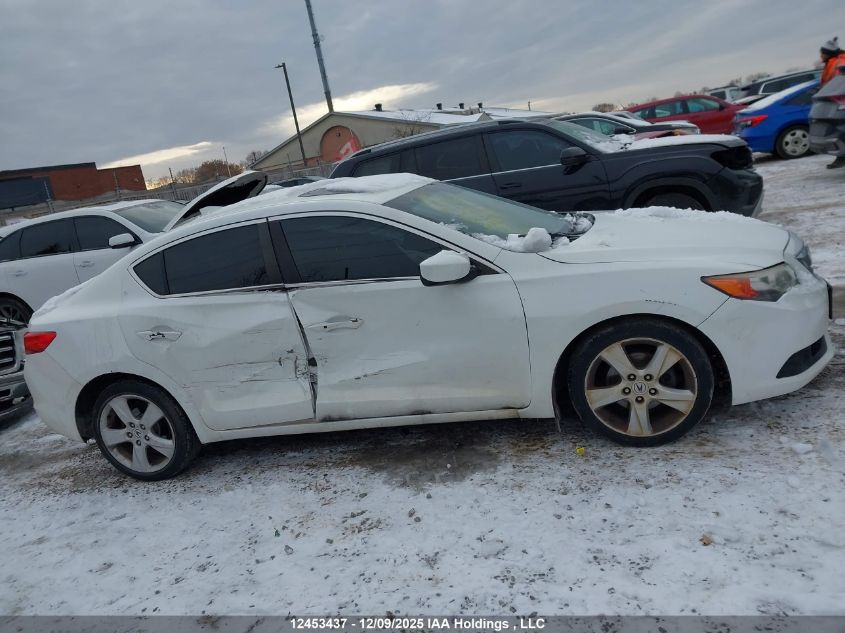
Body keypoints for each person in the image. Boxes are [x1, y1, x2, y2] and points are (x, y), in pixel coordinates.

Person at [820, 37, 845, 168]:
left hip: (839, 100)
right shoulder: (831, 62)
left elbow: (838, 82)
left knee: (839, 129)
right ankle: (841, 157)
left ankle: (841, 157)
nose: (820, 55)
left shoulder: (838, 62)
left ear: (828, 53)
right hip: (834, 100)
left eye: (822, 53)